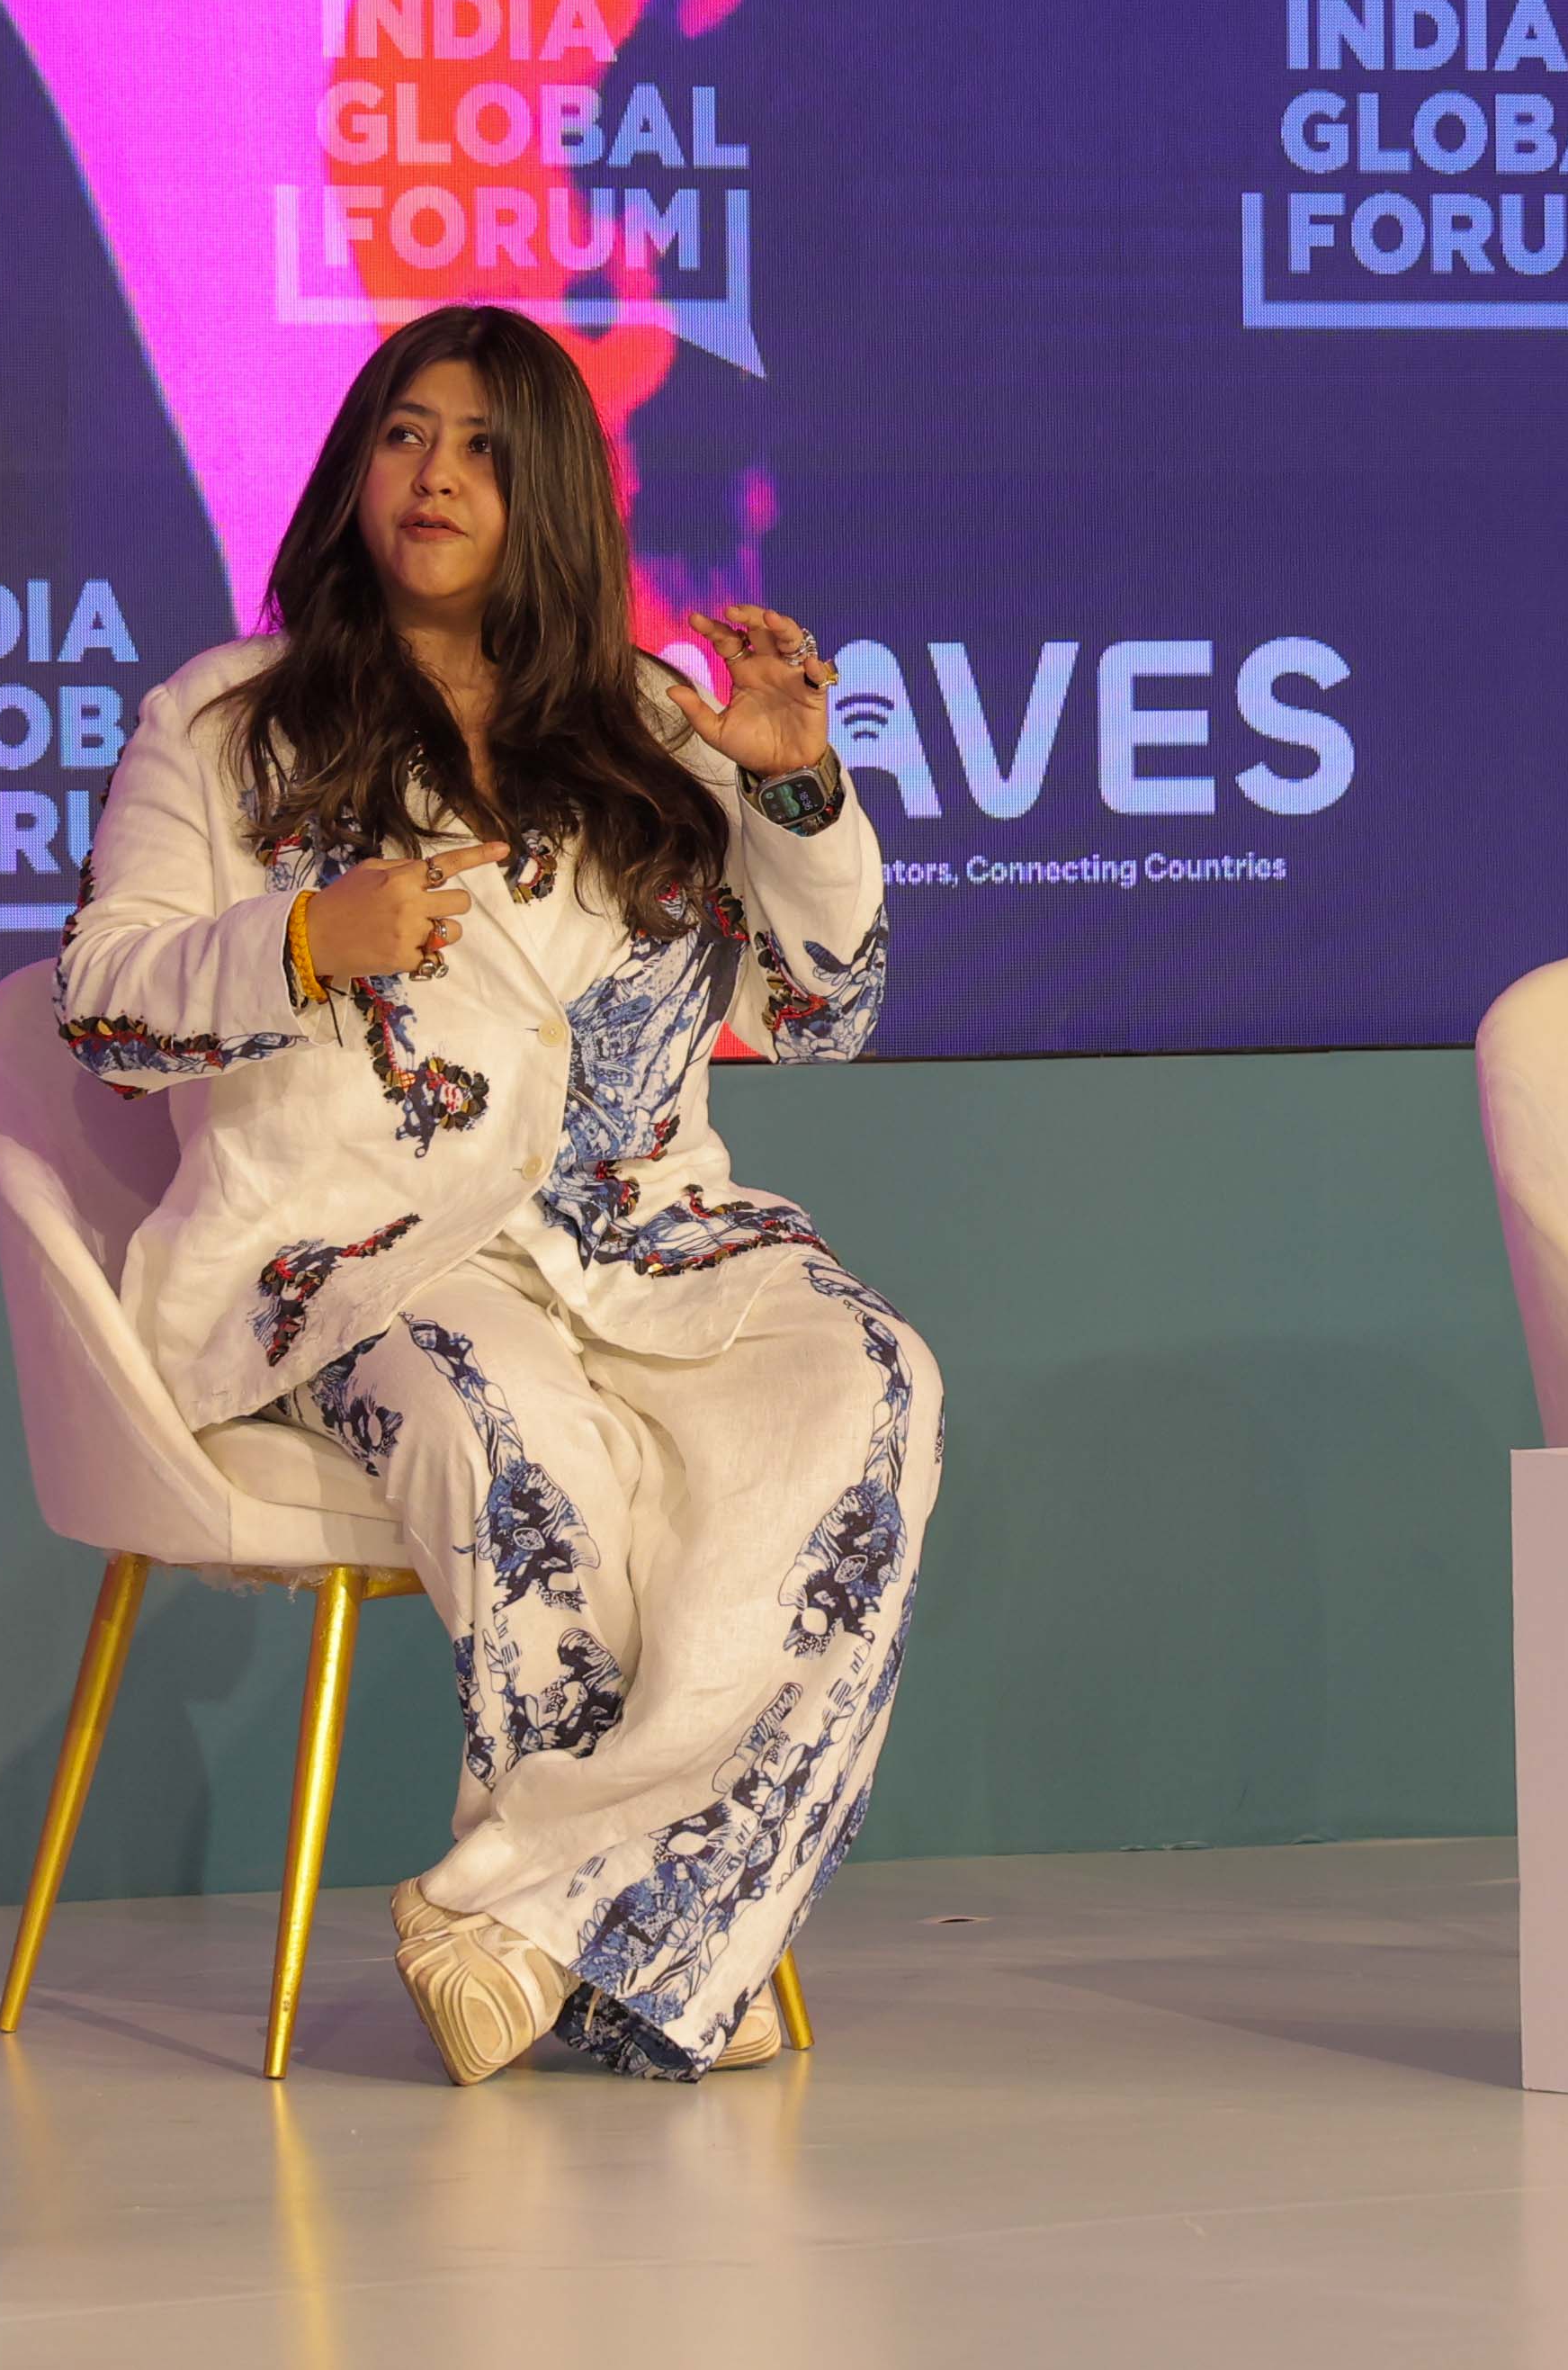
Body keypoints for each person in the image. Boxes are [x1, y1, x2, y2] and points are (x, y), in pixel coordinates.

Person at [58, 304, 928, 2084]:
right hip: (369, 1254)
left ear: (551, 497)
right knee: (512, 1432)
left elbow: (822, 1014)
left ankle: (529, 1915)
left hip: (654, 1237)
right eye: (402, 434)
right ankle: (654, 1947)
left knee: (871, 1389)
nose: (433, 475)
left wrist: (791, 787)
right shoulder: (222, 721)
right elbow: (101, 1004)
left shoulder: (655, 723)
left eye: (479, 447)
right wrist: (304, 938)